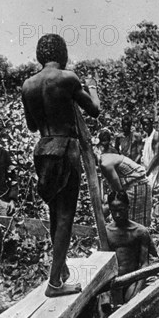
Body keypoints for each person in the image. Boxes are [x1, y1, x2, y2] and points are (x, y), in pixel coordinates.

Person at [21, 33, 101, 297]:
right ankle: (55, 283)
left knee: (55, 212)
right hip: (66, 148)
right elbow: (94, 109)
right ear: (62, 53)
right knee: (66, 214)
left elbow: (32, 125)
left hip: (43, 148)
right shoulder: (68, 78)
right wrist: (93, 86)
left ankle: (61, 269)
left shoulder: (28, 85)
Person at [86, 190, 156, 318]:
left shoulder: (139, 231)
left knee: (129, 316)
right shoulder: (105, 232)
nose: (117, 214)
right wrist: (105, 292)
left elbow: (144, 263)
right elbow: (102, 264)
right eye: (113, 210)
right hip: (111, 284)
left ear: (128, 207)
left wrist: (137, 290)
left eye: (121, 209)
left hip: (133, 280)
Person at [97, 151, 152, 227]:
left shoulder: (105, 164)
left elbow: (119, 191)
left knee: (134, 221)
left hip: (137, 185)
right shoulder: (104, 159)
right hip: (131, 185)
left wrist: (106, 210)